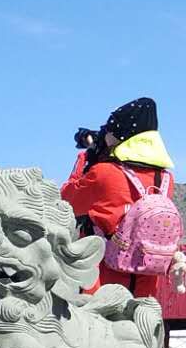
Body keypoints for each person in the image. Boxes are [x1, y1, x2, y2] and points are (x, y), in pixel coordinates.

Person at [61, 97, 179, 297]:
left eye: (109, 130)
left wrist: (87, 158)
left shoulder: (104, 172)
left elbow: (66, 201)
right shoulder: (165, 179)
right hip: (145, 287)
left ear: (120, 136)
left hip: (102, 285)